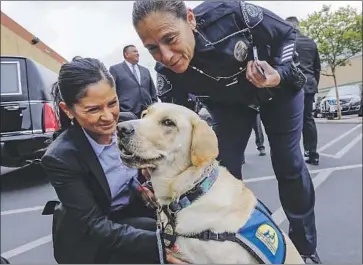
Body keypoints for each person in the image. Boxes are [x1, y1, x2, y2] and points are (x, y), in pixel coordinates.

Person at [132, 1, 321, 263]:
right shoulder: (166, 73)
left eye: (170, 39)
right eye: (152, 48)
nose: (166, 55)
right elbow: (171, 131)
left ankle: (305, 248)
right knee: (222, 166)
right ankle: (231, 242)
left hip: (278, 91)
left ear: (190, 19)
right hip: (230, 105)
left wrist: (279, 73)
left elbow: (287, 35)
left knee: (288, 162)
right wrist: (150, 165)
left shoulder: (232, 13)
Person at [40, 57, 179, 264]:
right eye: (93, 109)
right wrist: (161, 246)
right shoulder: (61, 158)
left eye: (112, 103)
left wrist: (145, 186)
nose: (108, 117)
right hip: (95, 239)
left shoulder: (126, 122)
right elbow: (96, 226)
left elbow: (145, 167)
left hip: (132, 214)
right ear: (68, 110)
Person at [286, 16, 321, 166]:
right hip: (309, 85)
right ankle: (312, 153)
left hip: (293, 86)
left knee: (291, 121)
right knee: (308, 119)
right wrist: (313, 85)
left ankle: (293, 156)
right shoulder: (310, 42)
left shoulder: (287, 43)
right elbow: (317, 67)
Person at [109, 45, 158, 118]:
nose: (137, 53)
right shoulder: (115, 69)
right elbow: (111, 91)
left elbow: (153, 92)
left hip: (146, 113)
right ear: (126, 54)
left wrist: (154, 107)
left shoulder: (145, 71)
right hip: (126, 113)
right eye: (134, 51)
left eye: (137, 51)